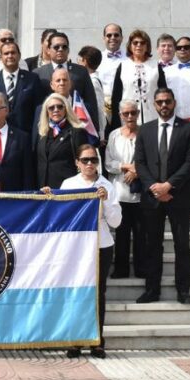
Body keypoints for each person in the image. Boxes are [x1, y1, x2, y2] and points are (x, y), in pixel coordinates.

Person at [134, 87, 190, 305]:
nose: (164, 105)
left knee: (182, 245)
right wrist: (155, 187)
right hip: (152, 198)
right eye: (160, 102)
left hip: (179, 198)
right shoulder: (145, 130)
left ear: (174, 102)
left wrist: (169, 186)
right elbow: (140, 163)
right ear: (154, 104)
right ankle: (152, 290)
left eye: (168, 101)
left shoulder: (189, 129)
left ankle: (183, 290)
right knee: (152, 244)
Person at [57, 144, 122, 359]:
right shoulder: (69, 184)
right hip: (76, 248)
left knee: (98, 294)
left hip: (101, 245)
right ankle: (75, 339)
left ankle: (97, 340)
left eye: (93, 160)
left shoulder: (107, 186)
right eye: (85, 160)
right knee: (76, 291)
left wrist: (106, 202)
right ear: (77, 163)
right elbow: (61, 216)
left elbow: (116, 221)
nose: (89, 164)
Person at [106, 99, 143, 279]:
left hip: (140, 193)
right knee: (121, 234)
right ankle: (121, 269)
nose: (130, 116)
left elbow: (152, 159)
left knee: (140, 233)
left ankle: (141, 268)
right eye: (126, 113)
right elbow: (108, 163)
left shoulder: (145, 133)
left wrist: (138, 171)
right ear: (120, 115)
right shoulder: (114, 135)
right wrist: (128, 167)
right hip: (119, 192)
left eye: (133, 113)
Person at [34, 32, 99, 132]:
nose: (60, 49)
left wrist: (96, 130)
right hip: (49, 128)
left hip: (76, 126)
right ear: (48, 50)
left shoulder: (81, 71)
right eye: (56, 47)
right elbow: (36, 105)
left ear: (68, 50)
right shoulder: (38, 73)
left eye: (64, 47)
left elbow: (91, 101)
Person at [0, 41, 46, 134]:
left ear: (19, 56)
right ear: (0, 57)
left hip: (24, 136)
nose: (10, 56)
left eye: (13, 52)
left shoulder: (32, 79)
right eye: (6, 53)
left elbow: (39, 111)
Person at [109, 29, 166, 132]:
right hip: (129, 117)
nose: (138, 45)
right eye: (135, 43)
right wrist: (116, 121)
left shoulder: (156, 66)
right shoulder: (123, 66)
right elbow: (116, 96)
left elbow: (164, 92)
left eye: (142, 43)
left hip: (152, 116)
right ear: (130, 46)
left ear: (147, 46)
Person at [35, 93, 89, 189]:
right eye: (51, 108)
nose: (56, 110)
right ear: (46, 111)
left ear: (66, 109)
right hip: (44, 189)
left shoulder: (77, 132)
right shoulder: (42, 133)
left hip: (67, 188)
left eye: (60, 107)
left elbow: (85, 161)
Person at [77, 45, 107, 139]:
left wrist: (101, 133)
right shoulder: (88, 79)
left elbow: (99, 109)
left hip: (92, 131)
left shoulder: (93, 82)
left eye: (79, 59)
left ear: (84, 61)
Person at [97, 23, 125, 99]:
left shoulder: (130, 58)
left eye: (116, 35)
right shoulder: (97, 58)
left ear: (122, 38)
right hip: (103, 104)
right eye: (109, 35)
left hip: (125, 104)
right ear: (104, 38)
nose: (113, 38)